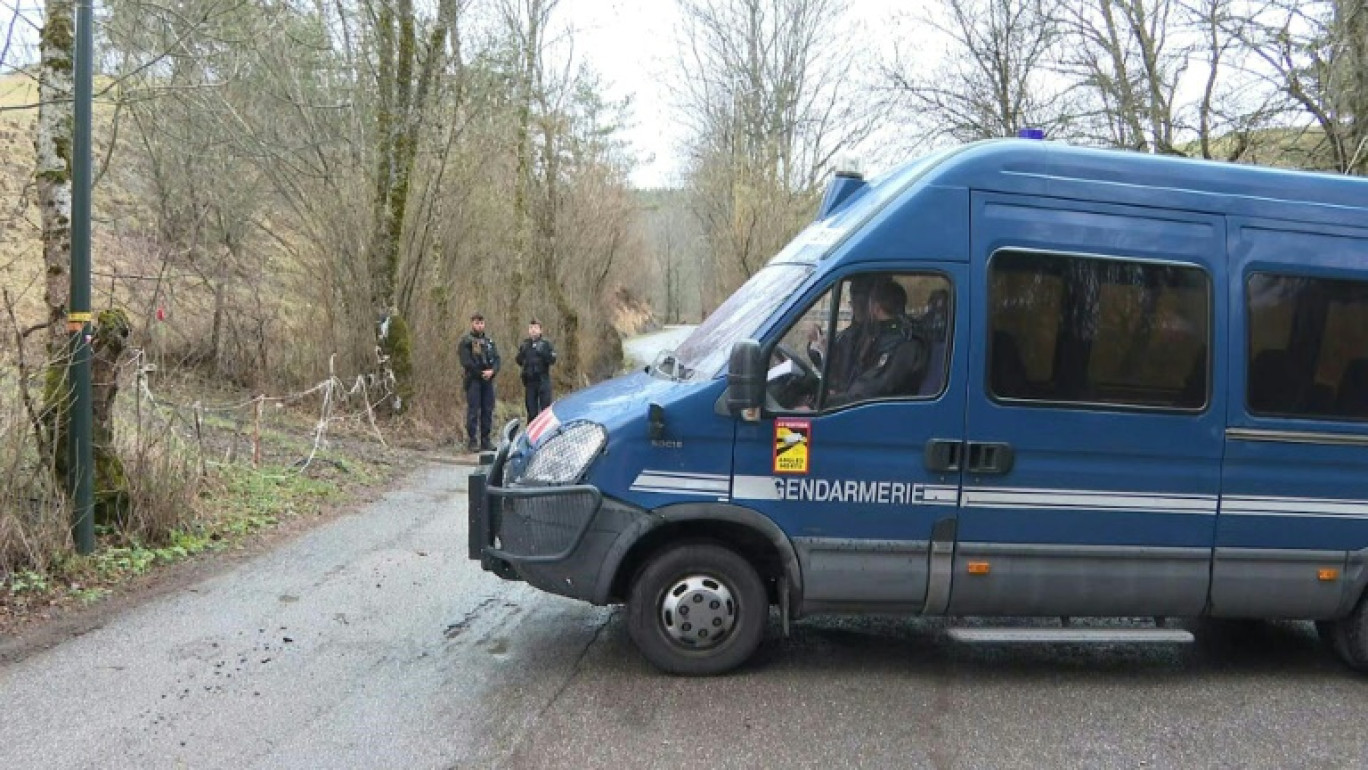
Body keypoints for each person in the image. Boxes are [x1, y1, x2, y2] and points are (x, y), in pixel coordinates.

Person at [828, 280, 929, 406]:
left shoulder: (903, 344)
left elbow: (869, 390)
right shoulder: (880, 335)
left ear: (875, 308)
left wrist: (826, 403)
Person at [809, 275, 877, 395]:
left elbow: (844, 381)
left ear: (873, 305)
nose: (856, 308)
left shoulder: (875, 336)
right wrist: (816, 344)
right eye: (854, 302)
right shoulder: (852, 333)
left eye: (861, 302)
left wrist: (825, 353)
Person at [459, 313, 501, 451]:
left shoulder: (490, 342)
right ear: (472, 324)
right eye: (477, 323)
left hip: (488, 381)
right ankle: (472, 440)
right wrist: (480, 373)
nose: (479, 325)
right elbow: (466, 362)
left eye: (481, 323)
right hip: (473, 380)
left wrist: (492, 371)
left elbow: (497, 359)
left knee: (487, 410)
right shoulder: (466, 342)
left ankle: (485, 440)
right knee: (473, 411)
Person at [515, 318, 557, 421]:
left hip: (543, 380)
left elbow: (552, 360)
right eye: (531, 328)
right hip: (530, 382)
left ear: (540, 330)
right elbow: (519, 360)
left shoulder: (546, 344)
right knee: (531, 412)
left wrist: (543, 353)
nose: (533, 330)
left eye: (536, 328)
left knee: (545, 411)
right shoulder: (525, 344)